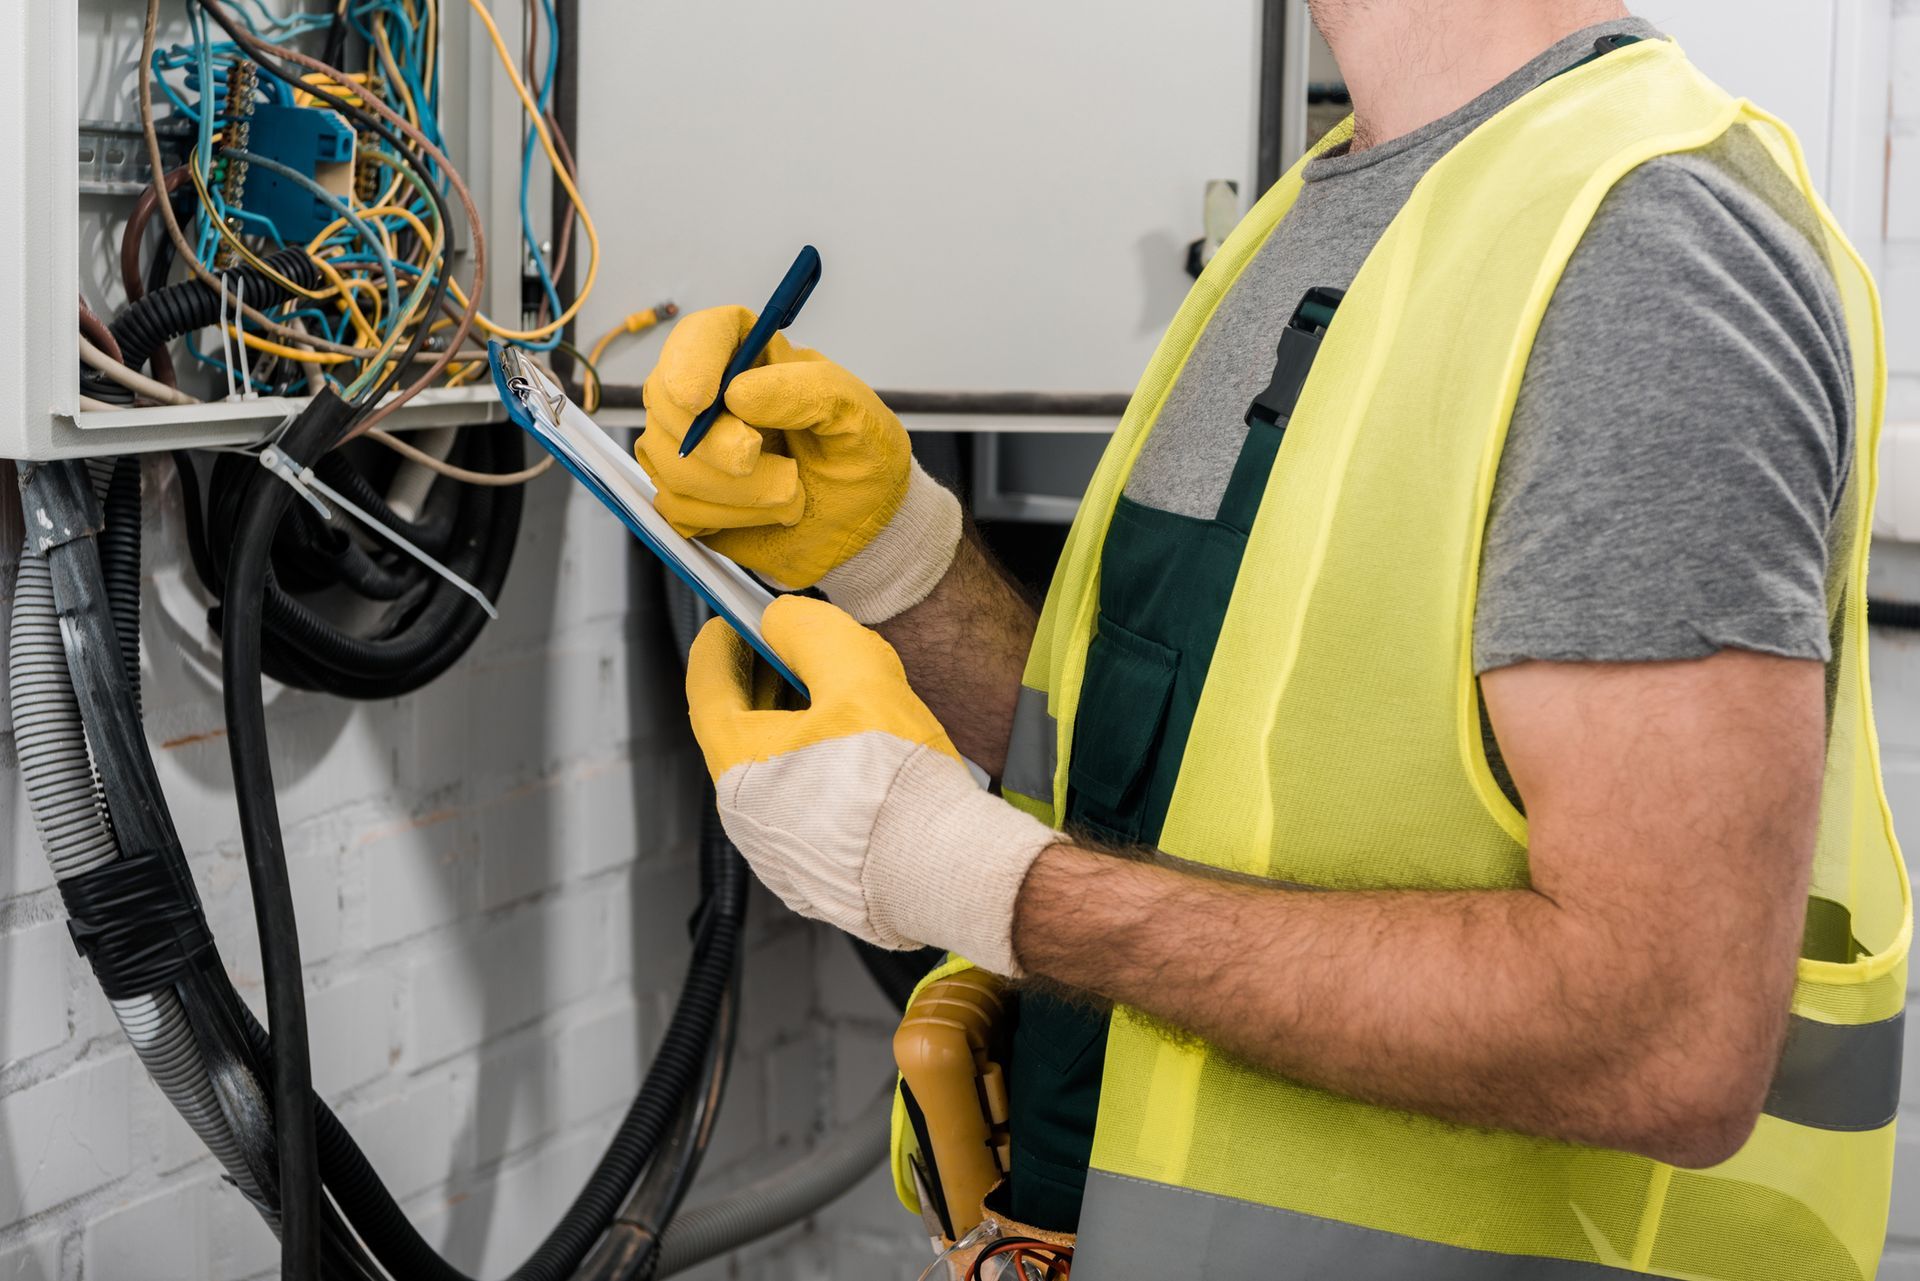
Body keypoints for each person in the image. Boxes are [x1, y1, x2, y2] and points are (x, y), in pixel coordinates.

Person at [635, 2, 1904, 1277]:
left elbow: (1660, 1039)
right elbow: (1183, 766)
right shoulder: (1336, 200)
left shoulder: (1646, 254)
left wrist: (979, 880)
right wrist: (897, 566)